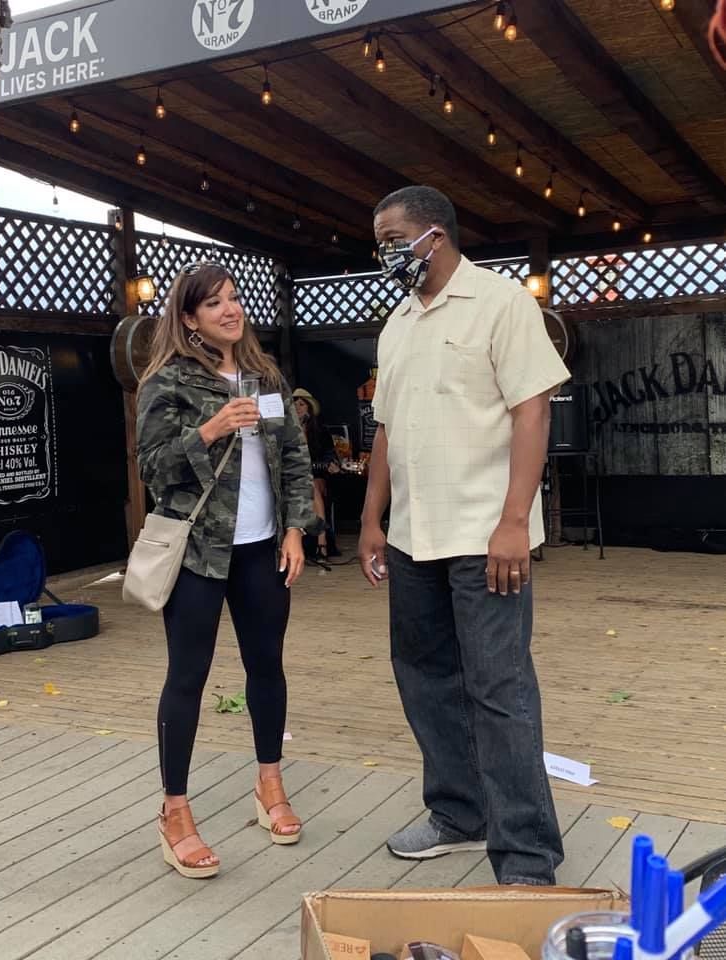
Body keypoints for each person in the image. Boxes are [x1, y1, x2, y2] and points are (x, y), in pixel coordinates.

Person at [359, 186, 568, 885]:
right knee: (424, 680)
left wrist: (516, 521)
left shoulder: (502, 304)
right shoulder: (397, 325)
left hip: (486, 534)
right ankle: (458, 812)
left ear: (435, 237)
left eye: (393, 239)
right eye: (379, 242)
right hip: (413, 538)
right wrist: (369, 520)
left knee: (499, 688)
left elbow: (532, 412)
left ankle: (527, 856)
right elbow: (385, 430)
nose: (385, 253)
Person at [137, 261, 316, 879]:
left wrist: (296, 529)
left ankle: (269, 788)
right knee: (187, 677)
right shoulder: (168, 382)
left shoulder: (266, 376)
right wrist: (209, 430)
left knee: (267, 666)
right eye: (214, 304)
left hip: (262, 549)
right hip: (197, 556)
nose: (230, 310)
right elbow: (153, 472)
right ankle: (175, 813)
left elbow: (294, 457)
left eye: (233, 298)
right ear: (189, 319)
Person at [293, 388, 341, 563]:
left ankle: (321, 542)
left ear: (309, 408)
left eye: (301, 404)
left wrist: (332, 464)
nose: (298, 408)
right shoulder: (286, 431)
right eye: (294, 404)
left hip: (315, 477)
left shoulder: (319, 431)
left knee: (313, 487)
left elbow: (329, 454)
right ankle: (316, 544)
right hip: (292, 479)